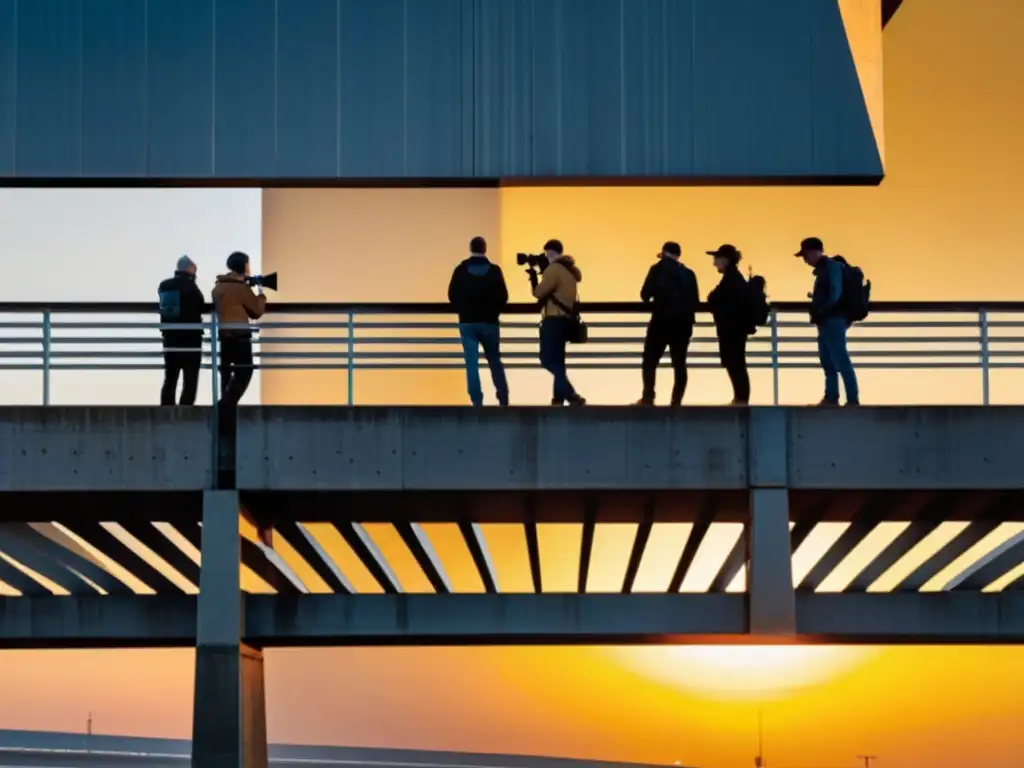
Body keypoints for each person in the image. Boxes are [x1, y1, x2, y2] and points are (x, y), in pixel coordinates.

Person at [796, 237, 860, 406]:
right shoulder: (824, 269)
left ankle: (852, 400)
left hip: (832, 320)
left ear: (817, 251)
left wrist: (824, 309)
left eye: (807, 254)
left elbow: (835, 292)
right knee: (827, 361)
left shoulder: (831, 267)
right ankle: (831, 397)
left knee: (840, 360)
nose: (805, 259)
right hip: (826, 321)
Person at [448, 236, 510, 406]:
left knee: (471, 363)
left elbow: (451, 295)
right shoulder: (494, 271)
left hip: (467, 322)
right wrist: (493, 311)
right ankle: (503, 395)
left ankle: (476, 400)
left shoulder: (460, 270)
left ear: (470, 248)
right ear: (485, 249)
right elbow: (504, 296)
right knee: (494, 359)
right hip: (489, 322)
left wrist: (463, 309)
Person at [637, 242, 699, 406]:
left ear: (664, 253)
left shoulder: (657, 270)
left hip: (661, 322)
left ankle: (648, 397)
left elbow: (644, 295)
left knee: (650, 360)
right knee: (679, 363)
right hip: (683, 324)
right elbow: (695, 301)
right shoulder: (688, 273)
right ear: (678, 255)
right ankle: (676, 401)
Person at [531, 239, 586, 406]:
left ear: (550, 253)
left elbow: (538, 293)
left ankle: (571, 395)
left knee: (547, 359)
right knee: (558, 361)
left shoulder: (554, 269)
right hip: (565, 321)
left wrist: (534, 277)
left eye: (546, 254)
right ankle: (558, 398)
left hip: (553, 320)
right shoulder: (569, 271)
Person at [211, 251, 266, 406]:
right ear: (244, 266)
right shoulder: (240, 289)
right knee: (245, 370)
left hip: (224, 333)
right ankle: (227, 404)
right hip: (240, 334)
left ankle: (224, 406)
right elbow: (256, 312)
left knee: (226, 372)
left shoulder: (219, 287)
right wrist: (260, 294)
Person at [706, 244, 751, 404]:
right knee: (735, 362)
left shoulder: (731, 279)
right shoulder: (734, 277)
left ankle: (741, 398)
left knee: (735, 362)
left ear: (725, 260)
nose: (714, 263)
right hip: (734, 327)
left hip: (732, 328)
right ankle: (740, 397)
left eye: (716, 259)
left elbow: (717, 299)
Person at [157, 255, 205, 406]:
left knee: (170, 376)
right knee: (190, 378)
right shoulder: (191, 286)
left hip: (170, 337)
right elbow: (201, 304)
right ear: (189, 269)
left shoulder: (164, 285)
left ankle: (166, 409)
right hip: (191, 338)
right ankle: (186, 409)